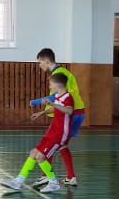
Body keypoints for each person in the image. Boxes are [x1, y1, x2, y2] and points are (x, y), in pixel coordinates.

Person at [0, 71, 74, 194]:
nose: (49, 87)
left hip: (60, 134)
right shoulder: (58, 97)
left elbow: (69, 111)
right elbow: (57, 109)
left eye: (51, 84)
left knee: (40, 157)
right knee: (33, 153)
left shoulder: (68, 97)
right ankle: (19, 181)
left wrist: (52, 103)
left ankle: (54, 183)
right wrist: (42, 112)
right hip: (52, 131)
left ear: (58, 85)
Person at [30, 48, 84, 188]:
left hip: (71, 113)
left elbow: (56, 97)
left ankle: (46, 176)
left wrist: (35, 102)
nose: (39, 65)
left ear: (46, 61)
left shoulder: (58, 74)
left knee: (52, 142)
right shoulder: (63, 72)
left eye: (40, 62)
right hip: (77, 112)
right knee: (61, 144)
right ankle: (70, 177)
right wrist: (43, 112)